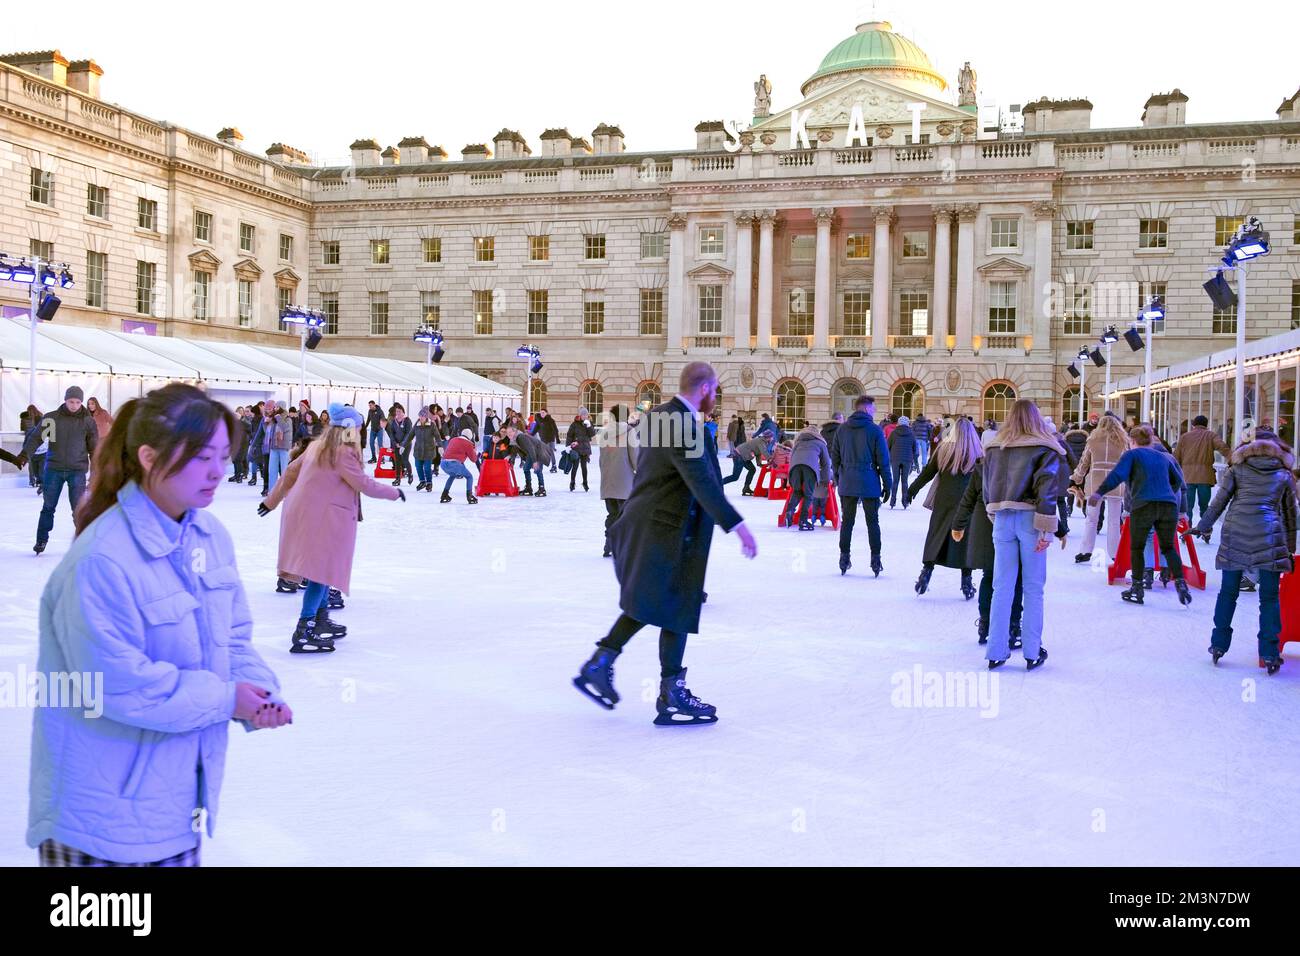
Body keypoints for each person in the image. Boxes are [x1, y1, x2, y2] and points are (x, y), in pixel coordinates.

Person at [29, 383, 288, 866]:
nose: (218, 471)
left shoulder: (210, 537)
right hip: (96, 823)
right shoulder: (102, 559)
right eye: (200, 456)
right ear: (148, 457)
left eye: (222, 455)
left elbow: (231, 638)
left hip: (174, 809)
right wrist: (224, 697)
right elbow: (119, 684)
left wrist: (257, 690)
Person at [573, 362, 757, 726]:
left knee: (659, 604)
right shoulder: (679, 423)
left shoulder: (663, 416)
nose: (716, 397)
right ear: (704, 389)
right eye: (715, 390)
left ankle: (606, 663)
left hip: (659, 525)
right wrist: (738, 526)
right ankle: (666, 690)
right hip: (668, 530)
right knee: (674, 604)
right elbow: (701, 481)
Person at [260, 403, 405, 653]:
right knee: (320, 573)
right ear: (349, 428)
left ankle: (320, 619)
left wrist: (270, 501)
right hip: (325, 518)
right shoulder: (342, 452)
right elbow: (362, 483)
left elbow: (290, 472)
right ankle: (304, 630)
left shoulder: (319, 445)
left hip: (312, 515)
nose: (360, 431)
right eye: (358, 426)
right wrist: (394, 492)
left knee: (324, 570)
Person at [1191, 433, 1296, 673]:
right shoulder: (1283, 474)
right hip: (1270, 537)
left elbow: (1218, 502)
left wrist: (1203, 526)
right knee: (1269, 598)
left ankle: (1218, 644)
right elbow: (1291, 514)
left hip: (1235, 534)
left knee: (1228, 592)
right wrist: (1289, 549)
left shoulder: (1237, 469)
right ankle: (1269, 652)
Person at [981, 399, 1060, 670]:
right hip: (1031, 518)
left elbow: (986, 486)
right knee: (1033, 587)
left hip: (1002, 518)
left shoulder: (994, 447)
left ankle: (996, 650)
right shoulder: (1043, 447)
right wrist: (1047, 528)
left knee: (1001, 586)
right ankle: (1031, 650)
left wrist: (993, 513)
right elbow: (1047, 489)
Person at [1091, 425, 1192, 607]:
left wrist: (1099, 493)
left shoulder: (1132, 455)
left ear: (1132, 441)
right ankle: (1180, 583)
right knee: (1168, 547)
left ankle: (1137, 587)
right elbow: (1178, 481)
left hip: (1144, 504)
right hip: (1168, 505)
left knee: (1137, 547)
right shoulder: (1163, 457)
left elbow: (1117, 476)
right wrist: (1167, 493)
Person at [952, 440, 1025, 649]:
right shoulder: (1019, 465)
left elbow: (968, 498)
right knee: (1014, 578)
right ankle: (1012, 625)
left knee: (990, 575)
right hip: (1009, 524)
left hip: (984, 526)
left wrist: (958, 524)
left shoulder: (983, 466)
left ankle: (985, 624)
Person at [907, 416, 981, 599]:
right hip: (968, 502)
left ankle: (926, 572)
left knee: (936, 535)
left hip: (944, 499)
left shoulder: (944, 450)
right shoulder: (978, 454)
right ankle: (966, 582)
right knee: (966, 540)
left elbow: (927, 473)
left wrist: (911, 490)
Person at [23, 386, 98, 555]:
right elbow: (36, 437)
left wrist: (96, 471)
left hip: (77, 470)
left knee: (78, 509)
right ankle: (41, 540)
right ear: (65, 400)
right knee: (48, 506)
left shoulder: (88, 421)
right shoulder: (52, 418)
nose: (74, 405)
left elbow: (94, 449)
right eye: (71, 401)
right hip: (53, 469)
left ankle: (84, 542)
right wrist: (23, 456)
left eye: (78, 402)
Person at [830, 395, 891, 577]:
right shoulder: (874, 430)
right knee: (873, 522)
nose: (875, 410)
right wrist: (887, 484)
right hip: (869, 480)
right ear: (865, 408)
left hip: (848, 480)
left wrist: (840, 477)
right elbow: (883, 460)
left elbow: (835, 457)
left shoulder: (842, 430)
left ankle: (844, 557)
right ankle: (876, 558)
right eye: (873, 408)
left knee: (847, 522)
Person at [1071, 413, 1130, 563]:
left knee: (1091, 518)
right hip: (1115, 482)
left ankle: (1085, 551)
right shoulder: (1122, 441)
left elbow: (1084, 462)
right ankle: (1115, 552)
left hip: (1095, 483)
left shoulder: (1092, 440)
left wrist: (1076, 478)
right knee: (1114, 520)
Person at [1174, 415, 1232, 529]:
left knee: (1188, 506)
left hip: (1187, 477)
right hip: (1205, 477)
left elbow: (1176, 457)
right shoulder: (1211, 435)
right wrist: (1234, 459)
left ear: (1193, 425)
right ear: (1206, 425)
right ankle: (1205, 529)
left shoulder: (1184, 437)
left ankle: (1187, 528)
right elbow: (1223, 448)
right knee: (1204, 506)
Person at [598, 405, 638, 556]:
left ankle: (609, 544)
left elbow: (602, 459)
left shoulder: (604, 432)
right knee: (625, 515)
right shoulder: (629, 431)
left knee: (612, 514)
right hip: (625, 480)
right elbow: (635, 456)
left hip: (608, 481)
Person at [783, 424, 832, 530]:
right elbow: (826, 463)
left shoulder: (798, 442)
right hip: (810, 468)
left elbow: (791, 458)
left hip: (795, 467)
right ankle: (803, 520)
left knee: (797, 492)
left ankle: (789, 511)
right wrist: (825, 478)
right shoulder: (820, 443)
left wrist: (789, 476)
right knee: (809, 495)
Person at [509, 423, 553, 496]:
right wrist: (511, 462)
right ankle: (528, 488)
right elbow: (514, 452)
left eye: (510, 432)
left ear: (515, 431)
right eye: (508, 432)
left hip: (538, 452)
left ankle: (542, 489)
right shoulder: (514, 440)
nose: (509, 434)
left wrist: (534, 461)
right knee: (526, 468)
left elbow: (531, 448)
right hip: (532, 453)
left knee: (537, 469)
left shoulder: (521, 437)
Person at [440, 428, 481, 503]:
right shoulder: (468, 443)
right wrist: (475, 452)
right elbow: (474, 459)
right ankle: (469, 496)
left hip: (443, 463)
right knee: (469, 477)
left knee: (452, 476)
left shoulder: (453, 439)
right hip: (454, 464)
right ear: (470, 436)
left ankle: (444, 494)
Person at [264, 401, 292, 495]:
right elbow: (267, 432)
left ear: (281, 408)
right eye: (274, 407)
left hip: (284, 447)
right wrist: (266, 423)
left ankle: (285, 491)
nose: (275, 409)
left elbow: (284, 428)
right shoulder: (274, 419)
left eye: (277, 407)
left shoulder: (288, 419)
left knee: (284, 470)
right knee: (272, 469)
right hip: (274, 446)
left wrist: (278, 417)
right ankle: (272, 491)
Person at [887, 415, 916, 506]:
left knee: (895, 481)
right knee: (905, 481)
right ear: (908, 424)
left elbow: (888, 446)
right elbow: (915, 448)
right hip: (907, 459)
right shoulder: (911, 434)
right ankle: (904, 501)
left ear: (898, 423)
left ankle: (892, 501)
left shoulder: (893, 433)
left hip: (895, 458)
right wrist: (913, 459)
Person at [566, 408, 596, 491]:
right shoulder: (574, 424)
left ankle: (585, 482)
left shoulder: (588, 423)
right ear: (580, 415)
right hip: (576, 447)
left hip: (585, 448)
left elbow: (592, 434)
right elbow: (569, 435)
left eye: (586, 415)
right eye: (583, 415)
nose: (584, 416)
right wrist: (568, 446)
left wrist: (589, 426)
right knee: (575, 466)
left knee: (584, 467)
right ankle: (572, 482)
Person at [386, 405, 414, 487]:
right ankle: (398, 478)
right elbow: (391, 433)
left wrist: (402, 444)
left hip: (406, 445)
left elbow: (408, 433)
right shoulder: (393, 421)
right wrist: (395, 443)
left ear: (403, 412)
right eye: (397, 411)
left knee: (405, 460)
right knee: (397, 461)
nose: (398, 413)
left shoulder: (407, 420)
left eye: (399, 411)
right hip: (396, 444)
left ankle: (410, 474)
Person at [412, 408, 438, 492]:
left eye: (423, 416)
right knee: (418, 466)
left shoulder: (432, 425)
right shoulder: (417, 424)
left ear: (426, 417)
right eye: (420, 416)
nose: (421, 418)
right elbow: (410, 435)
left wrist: (440, 446)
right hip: (418, 450)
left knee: (427, 468)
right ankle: (422, 481)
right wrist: (403, 445)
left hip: (429, 450)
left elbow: (437, 436)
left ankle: (429, 483)